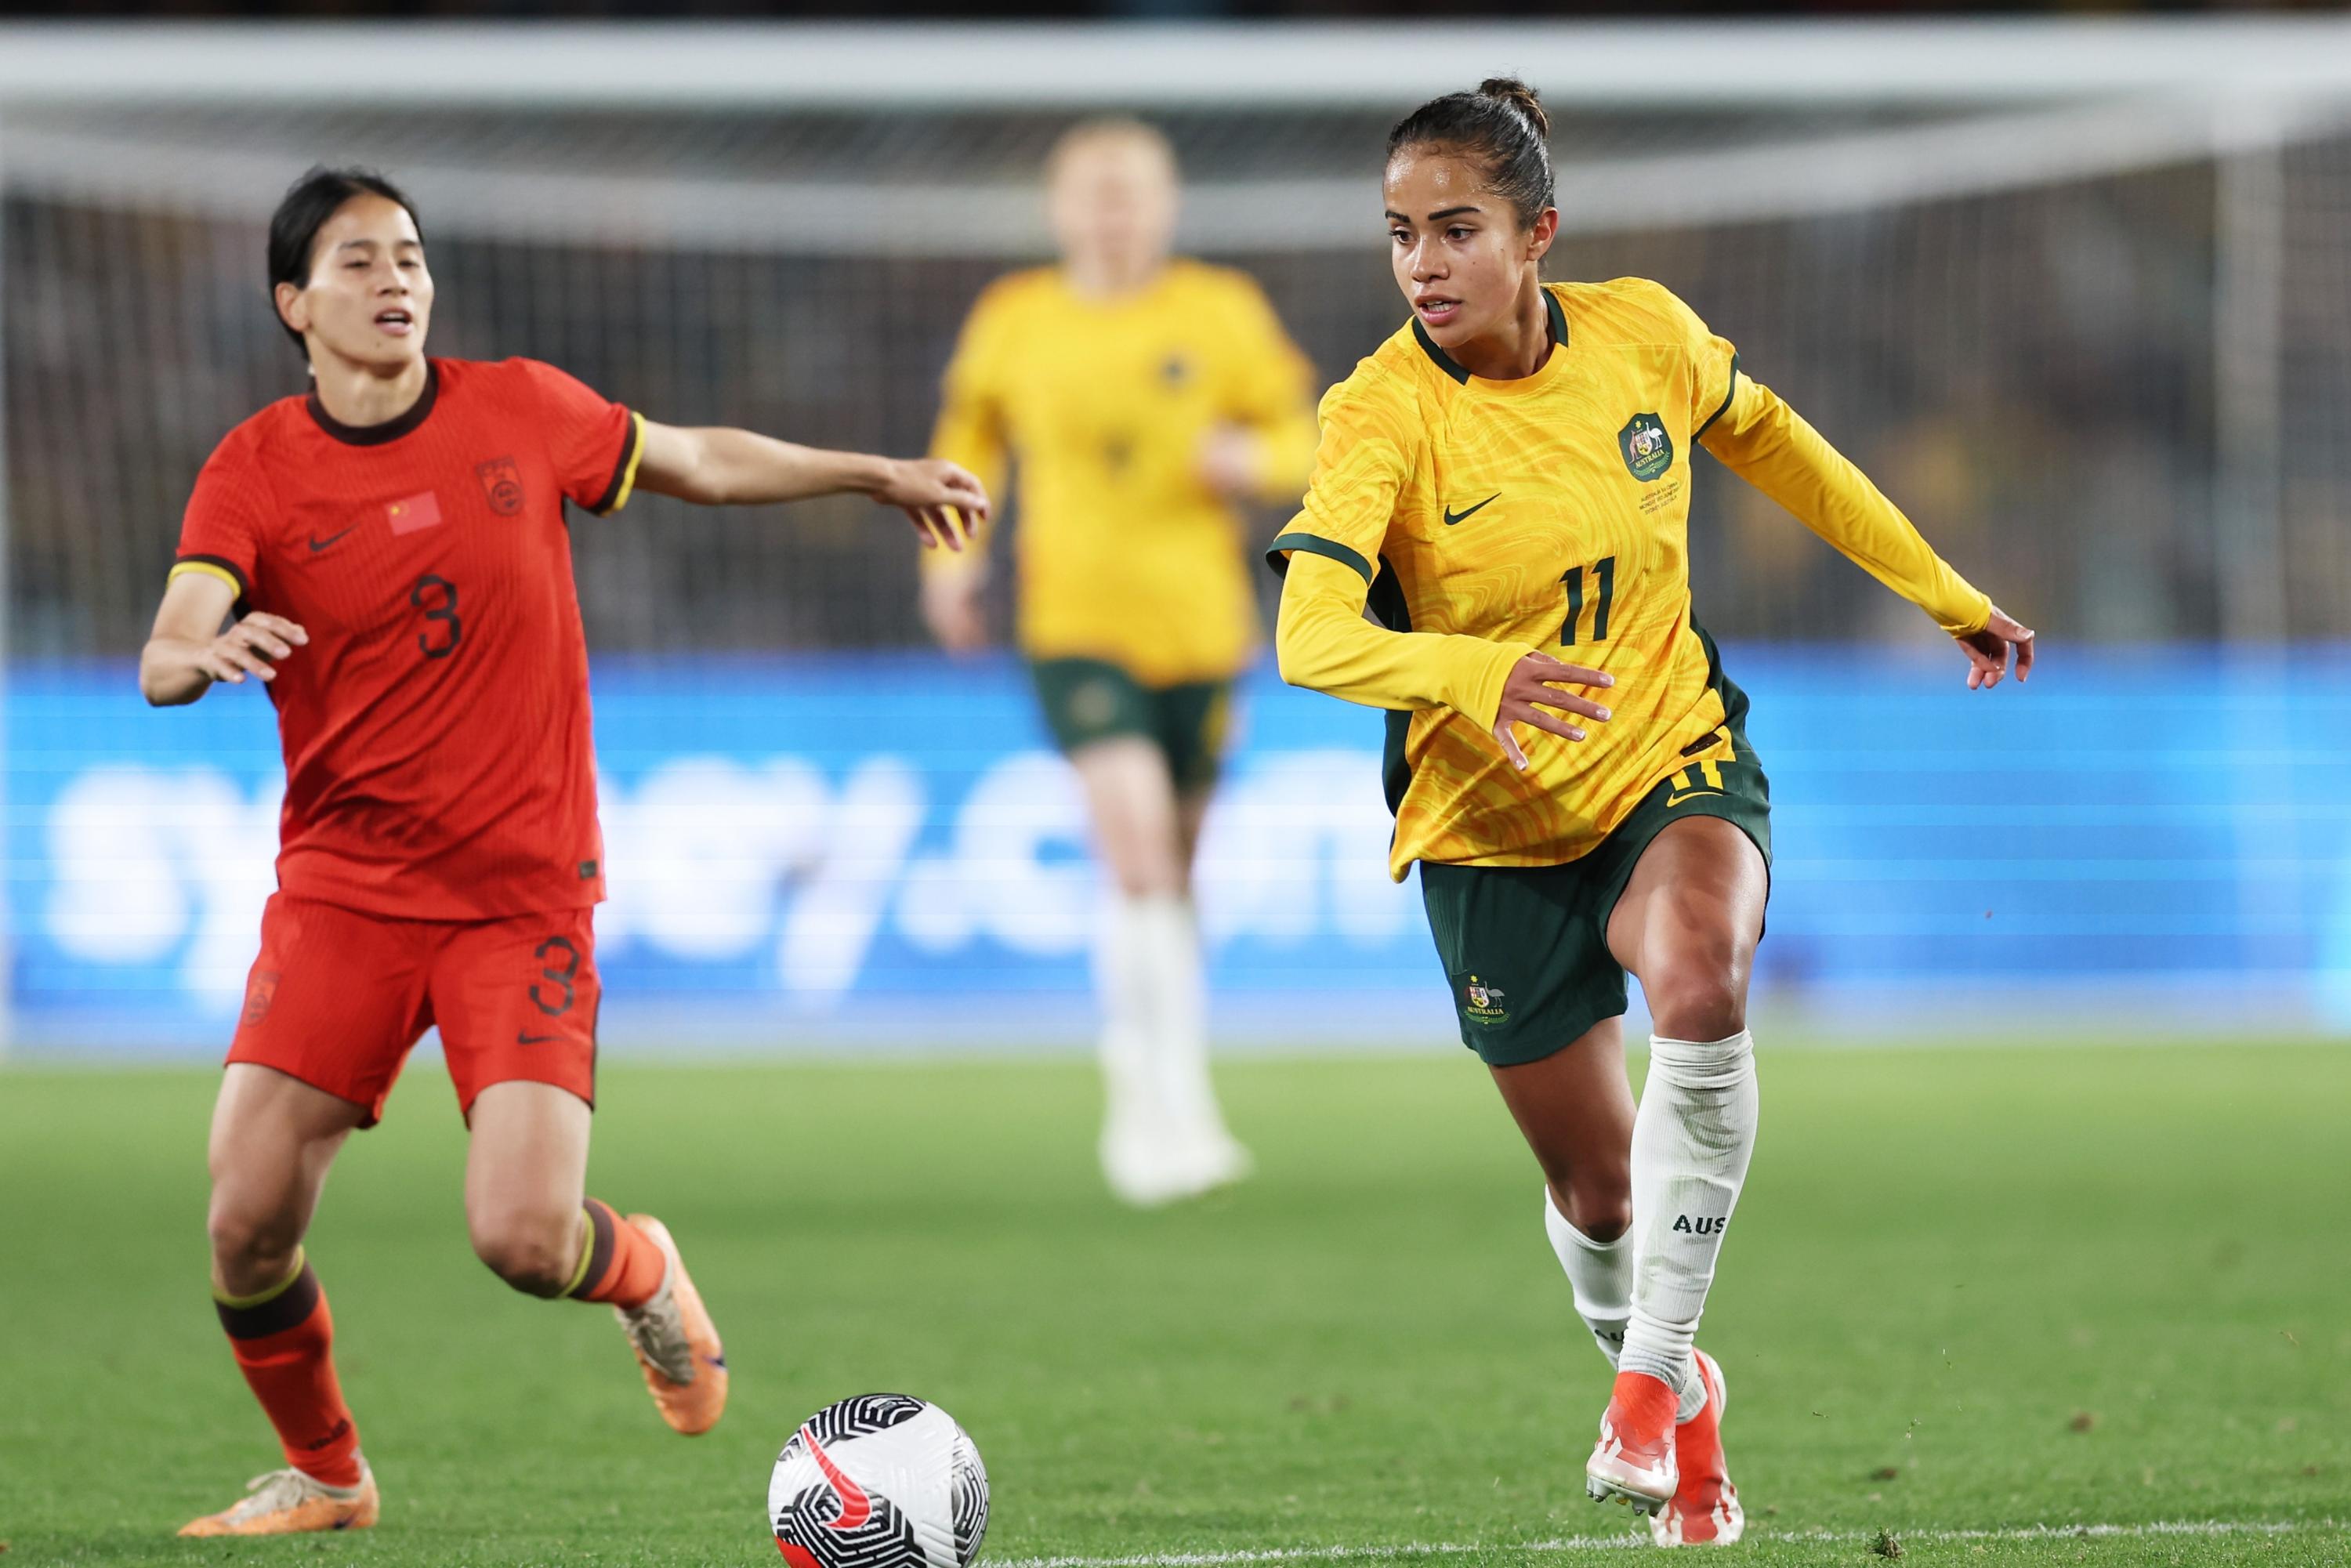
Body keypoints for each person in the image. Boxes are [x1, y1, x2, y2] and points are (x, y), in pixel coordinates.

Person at [143, 167, 988, 1538]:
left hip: (518, 897)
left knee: (525, 1241)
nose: (396, 280)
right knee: (242, 1223)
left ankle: (643, 1267)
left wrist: (870, 471)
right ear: (294, 303)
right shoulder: (254, 466)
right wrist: (194, 653)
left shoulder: (520, 407)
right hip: (345, 896)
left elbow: (699, 459)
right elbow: (172, 632)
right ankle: (331, 1475)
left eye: (409, 256)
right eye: (358, 262)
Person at [1267, 81, 2033, 1546]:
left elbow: (1789, 448)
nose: (1424, 264)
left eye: (1457, 231)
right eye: (1400, 236)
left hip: (1668, 757)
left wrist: (1946, 590)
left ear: (1539, 233)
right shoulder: (1380, 413)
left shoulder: (1646, 336)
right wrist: (1474, 673)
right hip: (1490, 828)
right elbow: (1310, 634)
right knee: (1602, 1192)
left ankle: (1640, 1387)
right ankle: (1683, 1380)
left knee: (1701, 974)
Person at [924, 119, 1319, 1206]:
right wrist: (950, 561)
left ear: (1167, 205)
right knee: (1136, 852)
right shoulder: (1016, 320)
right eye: (1095, 193)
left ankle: (1170, 1083)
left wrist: (1254, 457)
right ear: (1060, 210)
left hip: (1201, 628)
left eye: (1133, 192)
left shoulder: (1221, 312)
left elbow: (1314, 435)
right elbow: (969, 441)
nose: (1115, 212)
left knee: (1179, 871)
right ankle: (1152, 1107)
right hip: (1074, 621)